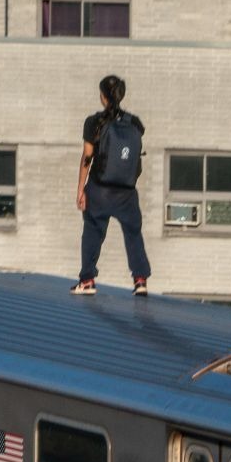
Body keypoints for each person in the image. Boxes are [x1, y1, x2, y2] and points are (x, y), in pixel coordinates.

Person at [70, 75, 152, 297]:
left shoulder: (94, 122)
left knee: (93, 232)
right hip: (126, 191)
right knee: (133, 233)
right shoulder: (135, 123)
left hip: (100, 189)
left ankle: (87, 280)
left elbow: (87, 158)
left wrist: (80, 189)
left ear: (103, 97)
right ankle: (140, 279)